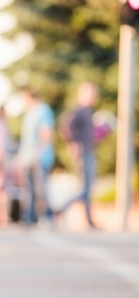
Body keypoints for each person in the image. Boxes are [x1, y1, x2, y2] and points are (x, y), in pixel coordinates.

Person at [55, 82, 99, 229]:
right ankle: (61, 208)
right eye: (91, 93)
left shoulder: (88, 111)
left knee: (88, 188)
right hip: (83, 153)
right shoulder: (79, 110)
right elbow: (65, 125)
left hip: (88, 150)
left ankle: (89, 221)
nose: (94, 97)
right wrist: (73, 143)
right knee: (85, 189)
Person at [16, 87, 55, 227]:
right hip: (27, 159)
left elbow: (45, 134)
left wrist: (37, 155)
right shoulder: (28, 114)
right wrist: (20, 157)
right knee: (29, 190)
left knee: (41, 189)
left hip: (39, 158)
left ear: (30, 97)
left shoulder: (42, 111)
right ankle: (29, 217)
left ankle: (48, 217)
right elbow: (26, 140)